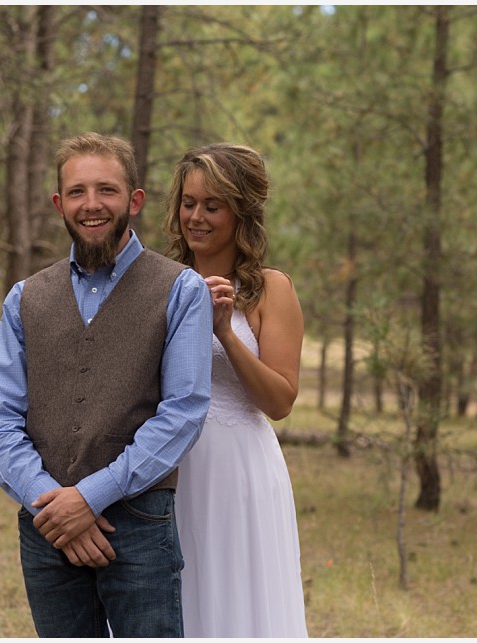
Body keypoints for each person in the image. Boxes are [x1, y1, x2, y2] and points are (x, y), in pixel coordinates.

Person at [0, 132, 213, 638]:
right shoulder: (25, 298)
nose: (92, 205)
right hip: (46, 529)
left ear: (134, 200)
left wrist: (89, 498)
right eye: (78, 192)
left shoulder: (181, 290)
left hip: (140, 525)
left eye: (106, 190)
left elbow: (184, 412)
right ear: (60, 204)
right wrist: (54, 505)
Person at [165, 143, 309, 637]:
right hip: (166, 466)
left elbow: (280, 400)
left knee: (236, 602)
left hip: (237, 471)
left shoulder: (272, 289)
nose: (196, 217)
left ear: (240, 211)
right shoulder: (159, 282)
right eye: (188, 203)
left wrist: (226, 330)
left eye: (212, 205)